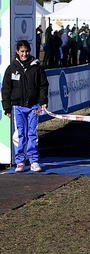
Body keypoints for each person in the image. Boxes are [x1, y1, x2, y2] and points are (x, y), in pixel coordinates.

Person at [1, 40, 49, 172]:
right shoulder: (12, 68)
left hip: (33, 106)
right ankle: (20, 161)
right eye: (22, 51)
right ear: (17, 51)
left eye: (26, 51)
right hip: (17, 107)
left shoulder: (36, 67)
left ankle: (33, 160)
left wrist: (43, 100)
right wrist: (7, 107)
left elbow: (43, 85)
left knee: (32, 133)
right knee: (20, 134)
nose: (24, 54)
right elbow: (6, 88)